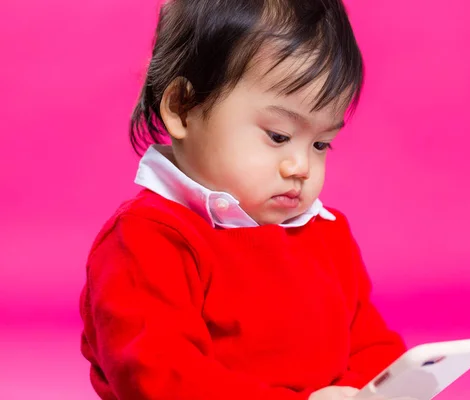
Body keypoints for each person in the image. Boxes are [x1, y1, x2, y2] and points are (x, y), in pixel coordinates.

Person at [79, 0, 406, 398]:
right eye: (279, 136)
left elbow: (373, 347)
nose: (300, 166)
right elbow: (162, 379)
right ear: (183, 109)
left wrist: (365, 391)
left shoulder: (327, 238)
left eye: (321, 144)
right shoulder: (148, 241)